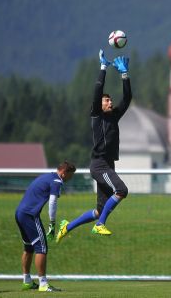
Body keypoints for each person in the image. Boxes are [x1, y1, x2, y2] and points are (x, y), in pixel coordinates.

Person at [56, 49, 131, 242]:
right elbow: (97, 89)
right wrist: (103, 68)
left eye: (110, 99)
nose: (110, 101)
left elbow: (128, 98)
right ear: (100, 103)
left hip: (108, 164)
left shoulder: (114, 116)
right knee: (121, 190)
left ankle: (67, 226)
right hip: (99, 165)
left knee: (99, 210)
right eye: (107, 100)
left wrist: (125, 74)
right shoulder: (97, 115)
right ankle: (100, 226)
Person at [15, 161, 76, 292]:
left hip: (19, 213)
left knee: (28, 247)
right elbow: (53, 202)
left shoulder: (46, 176)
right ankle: (43, 284)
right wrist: (52, 223)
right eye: (70, 175)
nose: (70, 179)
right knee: (41, 247)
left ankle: (27, 282)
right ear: (64, 172)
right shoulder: (57, 181)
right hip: (30, 215)